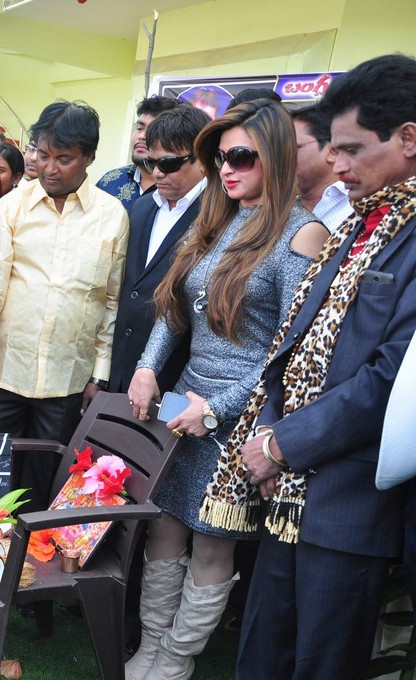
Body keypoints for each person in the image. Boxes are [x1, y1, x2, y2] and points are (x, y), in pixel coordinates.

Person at [197, 54, 416, 680]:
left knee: (322, 663)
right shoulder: (358, 223)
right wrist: (269, 438)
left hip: (349, 501)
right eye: (334, 150)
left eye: (352, 149)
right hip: (287, 488)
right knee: (261, 653)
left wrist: (282, 444)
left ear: (408, 139)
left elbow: (392, 379)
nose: (338, 165)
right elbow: (290, 346)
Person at [125, 99, 327, 680]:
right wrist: (147, 368)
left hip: (240, 414)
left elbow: (287, 351)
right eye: (220, 157)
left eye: (242, 156)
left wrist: (216, 408)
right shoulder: (219, 218)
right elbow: (174, 310)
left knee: (212, 543)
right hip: (183, 398)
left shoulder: (303, 233)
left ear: (277, 155)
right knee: (164, 523)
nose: (227, 169)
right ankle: (151, 648)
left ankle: (176, 661)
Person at [0, 101, 128, 514]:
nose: (50, 168)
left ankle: (31, 554)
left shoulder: (112, 216)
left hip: (67, 382)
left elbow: (109, 302)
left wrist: (99, 374)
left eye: (64, 159)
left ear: (88, 157)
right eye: (42, 155)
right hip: (2, 374)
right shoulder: (9, 209)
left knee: (44, 487)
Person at [109, 105, 210, 395]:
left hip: (177, 380)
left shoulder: (218, 216)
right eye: (151, 162)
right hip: (122, 370)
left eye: (168, 163)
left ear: (202, 159)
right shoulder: (142, 207)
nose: (157, 173)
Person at [96, 95, 181, 211]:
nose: (142, 136)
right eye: (140, 128)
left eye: (153, 131)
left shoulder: (180, 188)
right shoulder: (109, 181)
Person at [292, 103, 353, 233]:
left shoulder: (359, 203)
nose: (282, 157)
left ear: (333, 150)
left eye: (293, 148)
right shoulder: (278, 207)